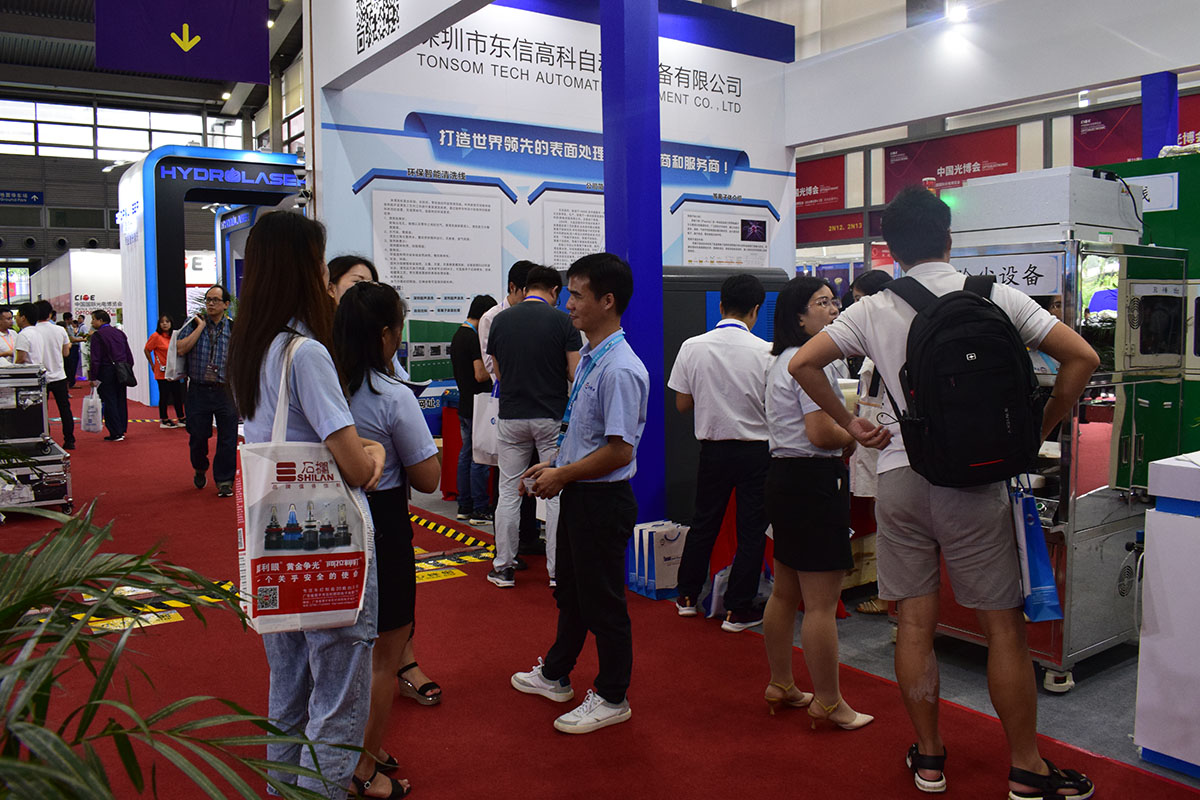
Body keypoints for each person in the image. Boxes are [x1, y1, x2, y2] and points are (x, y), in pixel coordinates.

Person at [790, 185, 1099, 798]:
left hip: (901, 476)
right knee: (1003, 628)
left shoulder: (874, 308)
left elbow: (803, 363)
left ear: (893, 249)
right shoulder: (995, 295)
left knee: (913, 623)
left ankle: (930, 759)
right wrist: (1037, 430)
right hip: (977, 481)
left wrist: (852, 424)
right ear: (948, 238)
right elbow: (1082, 358)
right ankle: (1026, 767)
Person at [229, 210, 388, 800]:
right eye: (321, 265)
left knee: (288, 689)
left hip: (272, 543)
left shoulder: (252, 347)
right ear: (302, 269)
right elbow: (354, 466)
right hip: (327, 546)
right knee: (338, 695)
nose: (327, 278)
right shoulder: (306, 353)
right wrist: (374, 453)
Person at [511, 252, 648, 735]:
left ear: (607, 301)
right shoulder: (593, 357)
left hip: (602, 502)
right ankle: (556, 673)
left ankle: (613, 695)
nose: (567, 304)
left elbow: (619, 451)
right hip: (580, 495)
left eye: (576, 295)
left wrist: (564, 475)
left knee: (604, 603)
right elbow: (588, 436)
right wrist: (556, 467)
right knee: (570, 592)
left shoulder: (620, 368)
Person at [334, 280, 438, 798]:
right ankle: (363, 768)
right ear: (384, 335)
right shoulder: (393, 395)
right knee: (384, 655)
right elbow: (429, 478)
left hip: (331, 526)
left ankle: (350, 748)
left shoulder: (324, 387)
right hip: (383, 526)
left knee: (337, 653)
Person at [760, 276, 873, 731]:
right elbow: (821, 433)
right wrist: (856, 433)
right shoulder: (812, 363)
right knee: (821, 603)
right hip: (813, 481)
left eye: (833, 301)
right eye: (822, 303)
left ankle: (781, 683)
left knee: (785, 591)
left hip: (784, 477)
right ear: (798, 316)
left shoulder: (780, 360)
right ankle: (828, 701)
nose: (833, 309)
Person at [667, 273, 772, 631]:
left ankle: (686, 596)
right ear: (756, 310)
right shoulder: (767, 352)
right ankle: (737, 610)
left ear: (721, 305)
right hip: (756, 451)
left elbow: (682, 404)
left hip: (712, 449)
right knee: (751, 530)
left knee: (703, 523)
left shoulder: (692, 346)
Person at [486, 264, 581, 589]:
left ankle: (503, 567)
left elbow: (498, 373)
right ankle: (557, 572)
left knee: (509, 491)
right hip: (550, 417)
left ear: (526, 288)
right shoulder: (563, 321)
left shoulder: (500, 320)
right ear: (555, 291)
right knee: (555, 493)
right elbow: (575, 373)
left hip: (511, 416)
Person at [479, 260, 545, 557]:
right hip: (508, 404)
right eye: (526, 291)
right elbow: (491, 365)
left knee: (533, 473)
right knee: (505, 482)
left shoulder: (537, 316)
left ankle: (528, 536)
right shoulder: (492, 317)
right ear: (513, 288)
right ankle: (506, 548)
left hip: (535, 405)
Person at [844, 270, 894, 616]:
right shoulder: (874, 339)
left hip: (886, 443)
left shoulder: (888, 340)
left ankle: (890, 597)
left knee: (892, 526)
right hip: (876, 441)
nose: (853, 307)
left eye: (860, 299)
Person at [176, 285, 237, 497]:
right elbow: (181, 348)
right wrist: (200, 327)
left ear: (226, 304)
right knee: (198, 436)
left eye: (215, 300)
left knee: (228, 438)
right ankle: (200, 467)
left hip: (225, 391)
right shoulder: (193, 323)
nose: (210, 304)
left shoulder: (233, 328)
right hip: (198, 390)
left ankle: (224, 481)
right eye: (208, 299)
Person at [449, 294, 497, 524]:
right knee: (480, 458)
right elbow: (480, 374)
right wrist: (498, 368)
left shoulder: (458, 335)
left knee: (466, 455)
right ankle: (479, 508)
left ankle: (465, 505)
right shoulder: (472, 338)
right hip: (479, 404)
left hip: (465, 403)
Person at [15, 300, 74, 450]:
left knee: (41, 411)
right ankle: (69, 439)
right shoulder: (59, 330)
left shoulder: (32, 331)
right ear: (50, 314)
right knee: (65, 409)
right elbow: (66, 353)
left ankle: (45, 439)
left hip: (40, 377)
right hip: (59, 375)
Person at [87, 309, 134, 442]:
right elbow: (128, 354)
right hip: (121, 370)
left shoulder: (97, 336)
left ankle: (115, 431)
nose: (92, 322)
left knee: (109, 401)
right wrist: (128, 368)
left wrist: (93, 377)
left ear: (101, 320)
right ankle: (122, 428)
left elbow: (95, 359)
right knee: (120, 399)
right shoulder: (120, 333)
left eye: (93, 319)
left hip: (106, 371)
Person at [144, 314, 186, 428]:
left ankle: (181, 417)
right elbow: (147, 349)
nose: (165, 324)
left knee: (177, 395)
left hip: (174, 370)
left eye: (167, 321)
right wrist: (152, 364)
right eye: (162, 322)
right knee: (164, 396)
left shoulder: (175, 336)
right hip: (162, 371)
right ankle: (164, 419)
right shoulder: (156, 336)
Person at [60, 311, 84, 388]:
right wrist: (83, 339)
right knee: (70, 366)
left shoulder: (70, 327)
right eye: (71, 319)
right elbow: (72, 339)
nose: (72, 320)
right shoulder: (66, 328)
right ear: (67, 319)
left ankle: (71, 382)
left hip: (74, 347)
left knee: (73, 366)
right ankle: (70, 383)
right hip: (71, 348)